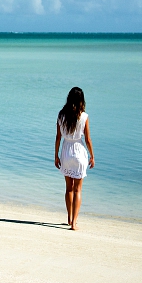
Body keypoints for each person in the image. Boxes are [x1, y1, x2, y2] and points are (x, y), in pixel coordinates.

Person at [54, 86, 94, 230]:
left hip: (65, 151)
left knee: (68, 189)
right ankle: (74, 223)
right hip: (79, 152)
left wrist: (56, 156)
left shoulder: (61, 115)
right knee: (78, 190)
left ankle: (69, 217)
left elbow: (58, 137)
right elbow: (88, 139)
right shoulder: (84, 116)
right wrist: (92, 156)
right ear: (81, 100)